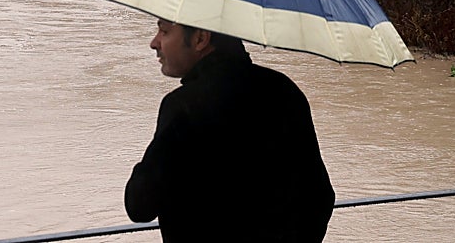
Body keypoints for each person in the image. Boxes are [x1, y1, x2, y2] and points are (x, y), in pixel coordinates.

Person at [125, 19, 334, 242]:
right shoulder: (283, 89)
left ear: (200, 38)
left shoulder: (184, 106)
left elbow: (140, 206)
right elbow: (319, 198)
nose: (154, 43)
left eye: (164, 31)